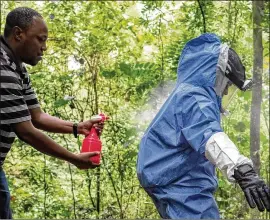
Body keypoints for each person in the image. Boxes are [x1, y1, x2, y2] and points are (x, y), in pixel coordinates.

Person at [137, 33, 270, 219]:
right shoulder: (194, 98)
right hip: (181, 183)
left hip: (170, 178)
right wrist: (243, 170)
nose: (225, 91)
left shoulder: (185, 94)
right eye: (228, 84)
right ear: (217, 74)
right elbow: (210, 135)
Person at [0, 7, 104, 219]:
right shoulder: (3, 69)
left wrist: (78, 127)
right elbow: (27, 132)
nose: (44, 47)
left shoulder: (17, 68)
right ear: (19, 34)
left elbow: (37, 117)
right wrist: (74, 158)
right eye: (40, 39)